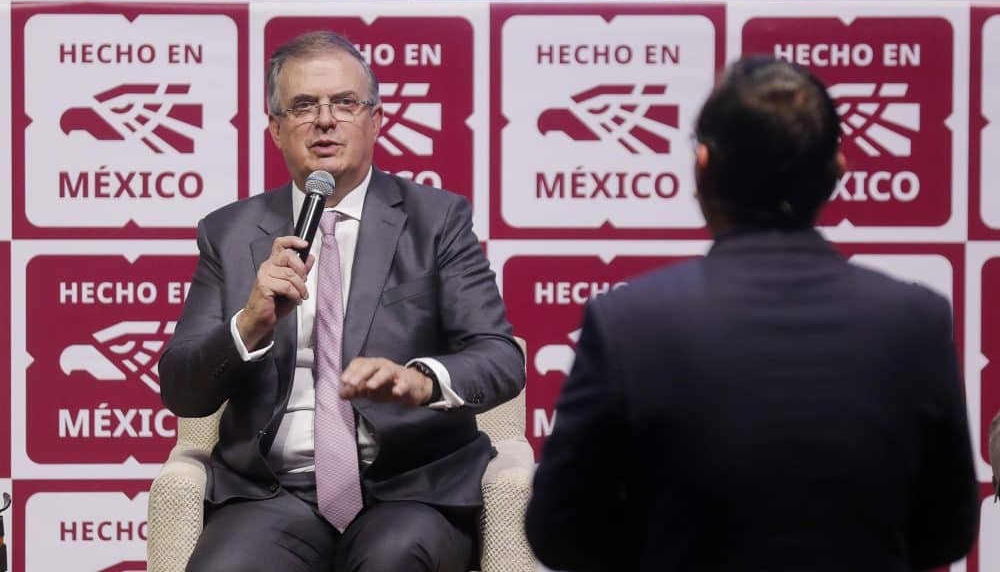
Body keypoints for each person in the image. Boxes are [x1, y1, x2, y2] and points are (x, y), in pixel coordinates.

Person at [524, 56, 979, 571]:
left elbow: (559, 530)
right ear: (838, 171)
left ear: (702, 167)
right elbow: (948, 530)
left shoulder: (627, 321)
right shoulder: (917, 319)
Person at [159, 30, 524, 572]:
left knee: (394, 559)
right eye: (303, 106)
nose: (325, 120)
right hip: (273, 496)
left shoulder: (436, 220)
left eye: (345, 103)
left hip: (410, 488)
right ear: (276, 129)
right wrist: (250, 323)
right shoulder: (230, 234)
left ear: (375, 120)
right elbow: (182, 389)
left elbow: (500, 356)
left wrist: (422, 380)